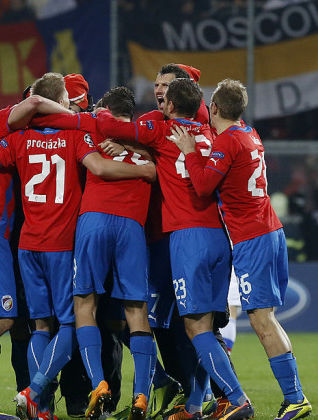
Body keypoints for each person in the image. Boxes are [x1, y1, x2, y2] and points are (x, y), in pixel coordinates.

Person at [0, 72, 156, 420]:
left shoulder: (19, 137)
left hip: (28, 244)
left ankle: (39, 404)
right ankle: (37, 389)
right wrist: (145, 169)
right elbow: (98, 165)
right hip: (63, 242)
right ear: (63, 102)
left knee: (40, 326)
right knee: (74, 323)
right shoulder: (77, 133)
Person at [92, 77, 252, 420]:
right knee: (203, 329)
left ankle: (236, 398)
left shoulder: (164, 131)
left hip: (186, 238)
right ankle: (194, 406)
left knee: (194, 328)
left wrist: (100, 116)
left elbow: (108, 124)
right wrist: (136, 151)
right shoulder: (216, 136)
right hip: (219, 237)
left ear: (169, 107)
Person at [169, 78, 312, 420]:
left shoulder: (229, 141)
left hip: (252, 237)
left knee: (261, 320)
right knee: (265, 318)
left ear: (213, 108)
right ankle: (288, 398)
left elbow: (203, 186)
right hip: (270, 229)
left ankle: (295, 398)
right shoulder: (248, 133)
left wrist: (189, 152)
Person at [30, 85, 158, 420]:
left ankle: (99, 383)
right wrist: (141, 159)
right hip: (132, 226)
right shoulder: (149, 141)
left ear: (106, 109)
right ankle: (142, 394)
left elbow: (46, 112)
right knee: (136, 311)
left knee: (84, 304)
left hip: (93, 221)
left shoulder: (91, 124)